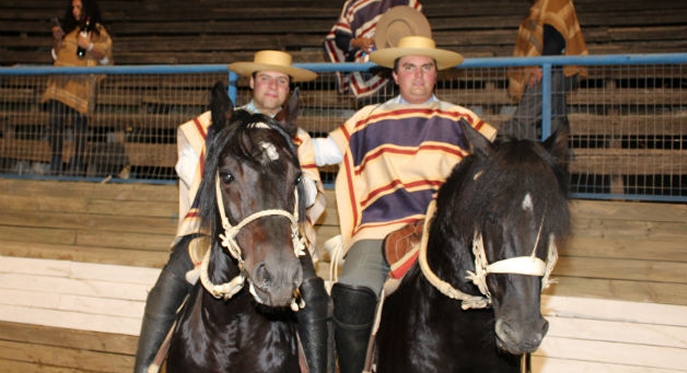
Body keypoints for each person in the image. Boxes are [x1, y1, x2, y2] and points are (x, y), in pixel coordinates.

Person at [134, 50, 333, 373]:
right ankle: (145, 367)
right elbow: (190, 168)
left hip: (280, 234)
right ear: (251, 82)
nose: (273, 86)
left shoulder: (298, 139)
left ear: (288, 89)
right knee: (168, 284)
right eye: (265, 78)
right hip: (213, 231)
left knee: (312, 292)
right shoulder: (221, 125)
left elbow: (309, 192)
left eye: (281, 80)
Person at [311, 36, 497, 373]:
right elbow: (322, 152)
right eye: (409, 68)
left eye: (426, 68)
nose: (418, 76)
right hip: (380, 228)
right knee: (352, 290)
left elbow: (497, 166)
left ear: (436, 74)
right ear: (395, 76)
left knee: (505, 286)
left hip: (444, 230)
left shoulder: (463, 120)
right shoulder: (368, 118)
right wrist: (273, 141)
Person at [41, 0, 113, 175]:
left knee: (79, 127)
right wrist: (57, 40)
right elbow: (58, 55)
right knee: (55, 124)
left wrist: (88, 46)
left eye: (79, 7)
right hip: (60, 84)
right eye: (73, 7)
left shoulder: (98, 32)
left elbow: (106, 60)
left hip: (81, 86)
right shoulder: (69, 31)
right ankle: (55, 163)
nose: (75, 11)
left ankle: (76, 165)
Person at [499, 0, 587, 140]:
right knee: (555, 120)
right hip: (556, 69)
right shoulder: (542, 4)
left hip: (551, 70)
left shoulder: (553, 2)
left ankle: (520, 157)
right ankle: (553, 159)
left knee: (524, 119)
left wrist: (540, 68)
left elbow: (556, 39)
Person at [323, 0, 423, 100]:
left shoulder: (404, 1)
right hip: (368, 68)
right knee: (371, 111)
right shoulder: (353, 4)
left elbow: (419, 28)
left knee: (401, 111)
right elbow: (341, 38)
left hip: (402, 66)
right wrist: (358, 42)